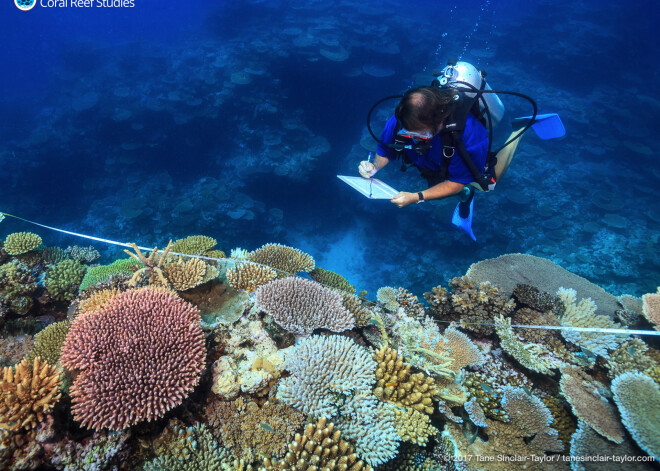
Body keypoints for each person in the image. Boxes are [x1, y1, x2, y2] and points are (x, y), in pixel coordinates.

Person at [358, 86, 488, 240]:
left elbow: (456, 183)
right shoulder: (401, 121)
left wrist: (416, 197)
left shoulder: (470, 134)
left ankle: (516, 132)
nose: (412, 139)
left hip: (452, 161)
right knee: (436, 193)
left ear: (440, 120)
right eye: (408, 133)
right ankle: (466, 194)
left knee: (490, 182)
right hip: (429, 163)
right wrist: (375, 166)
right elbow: (385, 151)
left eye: (420, 134)